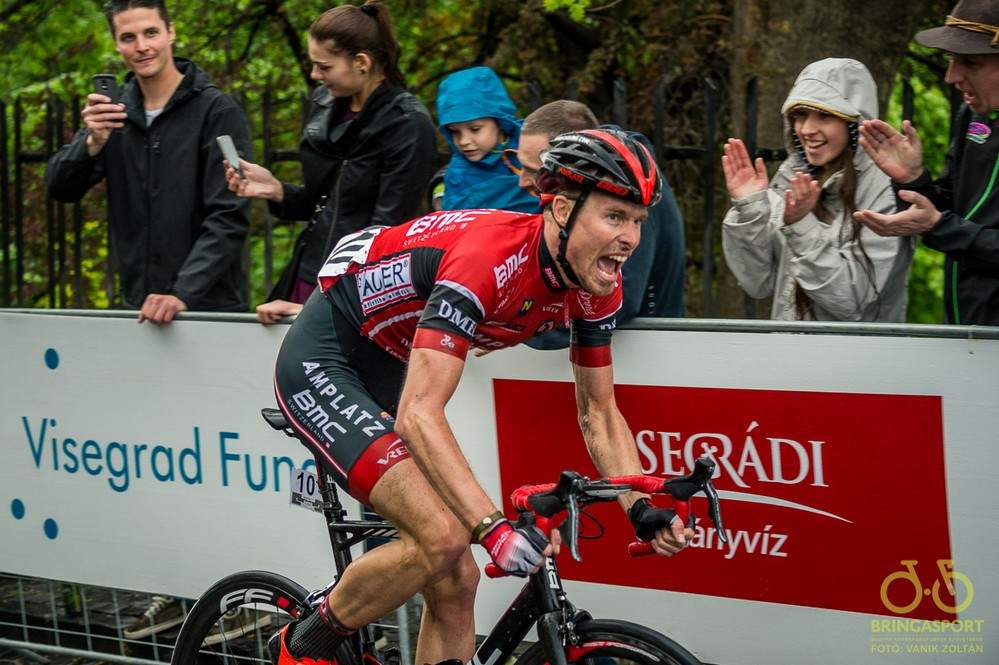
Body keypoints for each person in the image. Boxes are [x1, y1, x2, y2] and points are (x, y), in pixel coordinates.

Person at [268, 130, 691, 665]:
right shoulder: (489, 262)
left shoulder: (595, 287)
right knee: (444, 538)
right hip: (327, 356)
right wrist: (492, 529)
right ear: (562, 209)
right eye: (614, 217)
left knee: (457, 580)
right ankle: (303, 644)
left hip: (393, 363)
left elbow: (599, 413)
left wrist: (641, 507)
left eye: (637, 220)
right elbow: (419, 414)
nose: (630, 238)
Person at [225, 0, 436, 324]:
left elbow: (388, 236)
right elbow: (324, 204)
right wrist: (276, 190)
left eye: (324, 67)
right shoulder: (326, 105)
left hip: (359, 292)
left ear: (361, 62)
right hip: (308, 275)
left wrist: (326, 306)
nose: (314, 75)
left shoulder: (408, 124)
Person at [45, 0, 252, 323]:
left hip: (210, 309)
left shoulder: (217, 111)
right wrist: (91, 143)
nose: (141, 47)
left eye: (151, 33)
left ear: (171, 32)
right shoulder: (114, 114)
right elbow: (60, 188)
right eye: (128, 37)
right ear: (116, 44)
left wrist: (182, 293)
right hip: (139, 307)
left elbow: (229, 216)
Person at [722, 58, 914, 321]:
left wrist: (802, 227)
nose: (807, 129)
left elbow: (852, 303)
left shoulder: (883, 190)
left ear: (855, 123)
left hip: (857, 348)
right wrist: (750, 208)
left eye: (824, 115)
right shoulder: (792, 177)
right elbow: (759, 283)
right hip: (790, 344)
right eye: (800, 115)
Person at [855, 0, 999, 325]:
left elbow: (949, 226)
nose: (951, 76)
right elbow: (948, 211)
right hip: (967, 338)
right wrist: (912, 179)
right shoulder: (973, 117)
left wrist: (940, 227)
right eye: (951, 59)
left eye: (970, 62)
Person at [507, 100, 685, 350]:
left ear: (572, 157)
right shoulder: (585, 188)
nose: (522, 181)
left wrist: (518, 329)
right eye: (520, 166)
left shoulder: (630, 192)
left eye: (534, 170)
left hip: (647, 354)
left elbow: (620, 297)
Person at [435, 66, 538, 212]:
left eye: (475, 129)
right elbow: (457, 220)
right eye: (455, 131)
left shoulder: (534, 143)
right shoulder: (458, 175)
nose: (463, 141)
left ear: (499, 122)